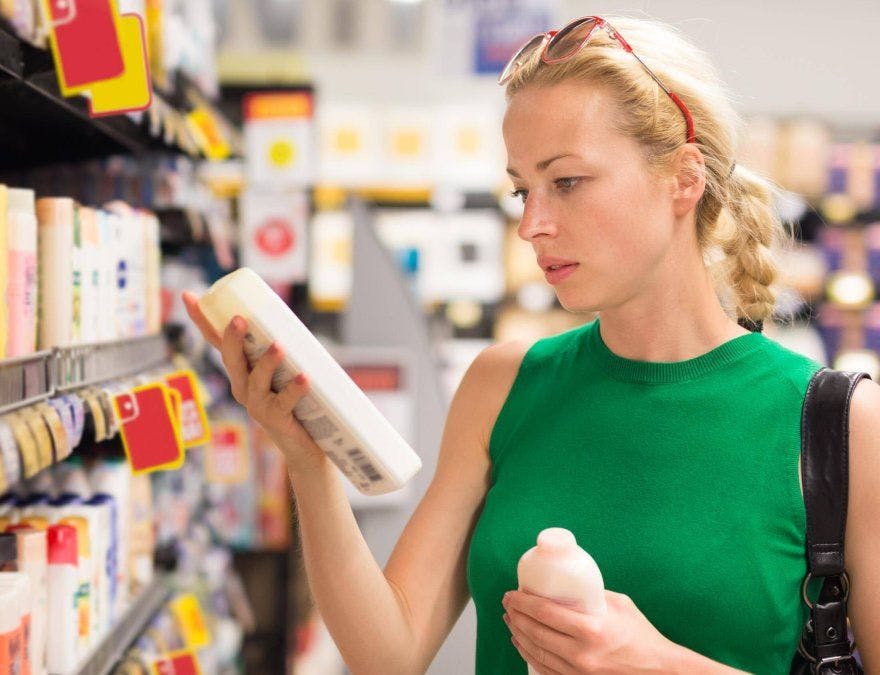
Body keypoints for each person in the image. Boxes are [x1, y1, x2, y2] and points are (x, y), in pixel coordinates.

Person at [183, 15, 880, 674]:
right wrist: (308, 460)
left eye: (567, 182)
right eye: (523, 191)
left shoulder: (841, 424)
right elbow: (387, 654)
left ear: (684, 178)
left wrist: (662, 663)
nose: (532, 225)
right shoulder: (504, 384)